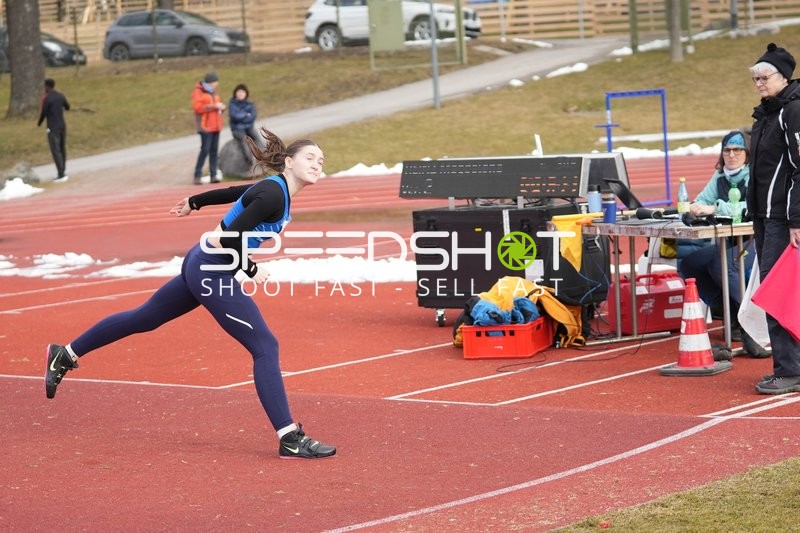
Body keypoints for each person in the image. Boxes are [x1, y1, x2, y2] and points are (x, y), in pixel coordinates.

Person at [44, 128, 336, 459]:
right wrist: (251, 269)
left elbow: (234, 193)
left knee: (145, 318)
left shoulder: (275, 189)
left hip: (202, 262)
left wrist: (195, 202)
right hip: (212, 268)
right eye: (310, 157)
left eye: (321, 160)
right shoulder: (274, 194)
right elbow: (228, 238)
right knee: (265, 346)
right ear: (289, 162)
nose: (317, 164)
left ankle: (65, 354)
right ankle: (289, 437)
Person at [677, 131, 767, 357]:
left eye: (737, 150)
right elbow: (702, 200)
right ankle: (731, 312)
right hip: (730, 242)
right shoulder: (719, 177)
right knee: (690, 264)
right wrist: (694, 208)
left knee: (723, 266)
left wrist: (715, 208)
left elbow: (751, 207)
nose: (731, 155)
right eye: (727, 150)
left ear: (747, 153)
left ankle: (753, 323)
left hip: (758, 241)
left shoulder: (755, 174)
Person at [747, 42, 800, 394]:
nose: (759, 83)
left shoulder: (793, 111)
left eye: (764, 77)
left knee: (777, 291)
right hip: (765, 217)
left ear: (784, 77)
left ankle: (789, 369)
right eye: (755, 78)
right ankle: (789, 365)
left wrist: (796, 219)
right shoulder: (767, 113)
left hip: (783, 218)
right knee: (777, 290)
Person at [192, 72, 225, 185]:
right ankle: (197, 175)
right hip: (205, 126)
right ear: (210, 82)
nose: (217, 84)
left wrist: (221, 108)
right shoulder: (199, 91)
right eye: (216, 82)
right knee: (205, 150)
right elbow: (197, 108)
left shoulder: (213, 92)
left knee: (214, 151)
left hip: (215, 126)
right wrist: (214, 106)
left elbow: (215, 106)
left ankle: (213, 175)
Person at [37, 78, 70, 183]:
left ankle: (61, 174)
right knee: (62, 148)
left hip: (52, 127)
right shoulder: (60, 95)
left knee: (55, 150)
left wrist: (39, 123)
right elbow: (67, 106)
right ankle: (63, 170)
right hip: (62, 126)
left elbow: (44, 112)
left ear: (47, 86)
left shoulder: (47, 98)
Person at [229, 83, 262, 164]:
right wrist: (245, 115)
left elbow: (252, 116)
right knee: (245, 141)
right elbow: (234, 116)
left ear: (246, 93)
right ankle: (249, 161)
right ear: (235, 93)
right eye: (239, 92)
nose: (241, 94)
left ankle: (263, 157)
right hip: (237, 129)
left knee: (257, 137)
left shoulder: (249, 103)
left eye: (243, 92)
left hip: (248, 127)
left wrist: (242, 117)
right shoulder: (232, 104)